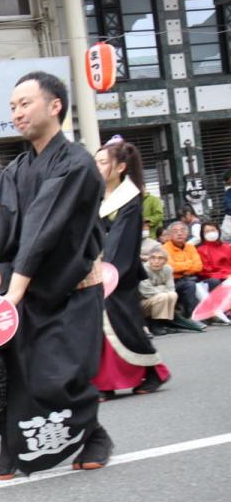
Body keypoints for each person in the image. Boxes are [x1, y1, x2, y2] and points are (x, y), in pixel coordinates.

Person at [0, 70, 110, 480]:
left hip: (67, 288)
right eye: (12, 106)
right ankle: (11, 441)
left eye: (25, 103)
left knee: (57, 376)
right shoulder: (17, 168)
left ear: (55, 106)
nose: (16, 113)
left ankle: (94, 434)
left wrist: (13, 293)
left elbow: (42, 229)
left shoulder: (77, 164)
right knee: (2, 364)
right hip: (23, 285)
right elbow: (0, 218)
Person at [91, 140, 170, 399]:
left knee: (122, 322)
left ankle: (152, 371)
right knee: (102, 323)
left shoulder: (130, 198)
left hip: (119, 271)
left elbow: (121, 239)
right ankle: (105, 381)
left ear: (120, 167)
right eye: (96, 162)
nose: (97, 166)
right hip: (97, 267)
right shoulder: (97, 195)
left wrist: (108, 269)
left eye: (103, 162)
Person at [162, 220, 205, 319]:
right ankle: (193, 317)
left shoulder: (190, 247)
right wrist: (189, 264)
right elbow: (171, 267)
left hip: (191, 278)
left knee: (213, 282)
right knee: (189, 285)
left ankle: (216, 312)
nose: (179, 233)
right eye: (175, 231)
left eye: (182, 230)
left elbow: (198, 266)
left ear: (187, 233)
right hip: (174, 281)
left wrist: (183, 269)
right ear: (169, 235)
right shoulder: (165, 248)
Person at [195, 220, 231, 325]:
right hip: (214, 277)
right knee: (216, 282)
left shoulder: (226, 247)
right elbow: (205, 271)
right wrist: (225, 275)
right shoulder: (201, 250)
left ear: (218, 231)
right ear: (202, 234)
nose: (211, 233)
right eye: (207, 231)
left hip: (228, 275)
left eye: (213, 230)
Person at [139, 245, 179, 335]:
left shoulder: (168, 269)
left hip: (157, 298)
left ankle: (165, 322)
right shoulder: (143, 269)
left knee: (173, 295)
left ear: (165, 260)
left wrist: (159, 289)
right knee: (163, 296)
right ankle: (155, 325)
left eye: (160, 258)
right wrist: (162, 288)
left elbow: (171, 288)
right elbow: (146, 292)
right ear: (149, 259)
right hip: (143, 302)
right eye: (153, 258)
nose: (156, 261)